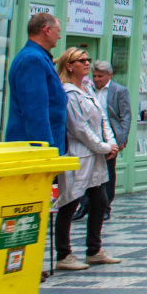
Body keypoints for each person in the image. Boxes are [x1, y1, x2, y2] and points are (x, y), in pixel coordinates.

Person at [53, 48, 120, 270]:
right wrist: (102, 146)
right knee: (69, 202)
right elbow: (78, 128)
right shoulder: (69, 93)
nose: (86, 63)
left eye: (87, 59)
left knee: (100, 201)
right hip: (79, 154)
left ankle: (94, 250)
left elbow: (102, 118)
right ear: (69, 65)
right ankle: (63, 254)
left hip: (95, 155)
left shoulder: (88, 89)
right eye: (81, 60)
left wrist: (110, 142)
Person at [6, 12, 67, 151]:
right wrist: (43, 148)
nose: (59, 36)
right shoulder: (32, 59)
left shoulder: (38, 57)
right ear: (46, 30)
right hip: (35, 149)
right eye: (57, 31)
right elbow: (35, 110)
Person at [91, 61, 130, 216]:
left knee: (108, 172)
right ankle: (86, 205)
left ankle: (106, 205)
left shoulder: (119, 91)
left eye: (100, 76)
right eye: (94, 76)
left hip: (110, 138)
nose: (96, 79)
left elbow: (125, 116)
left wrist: (121, 139)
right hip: (92, 136)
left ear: (109, 75)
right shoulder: (88, 90)